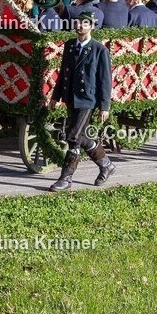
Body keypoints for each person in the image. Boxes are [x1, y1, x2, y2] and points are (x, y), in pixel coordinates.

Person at [46, 11, 116, 191]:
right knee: (82, 137)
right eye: (77, 23)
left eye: (85, 23)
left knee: (74, 138)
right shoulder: (70, 46)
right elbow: (63, 74)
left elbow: (105, 80)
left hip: (88, 99)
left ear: (92, 26)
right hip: (71, 97)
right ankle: (106, 165)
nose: (80, 26)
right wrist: (55, 96)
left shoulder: (100, 50)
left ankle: (66, 178)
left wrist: (104, 106)